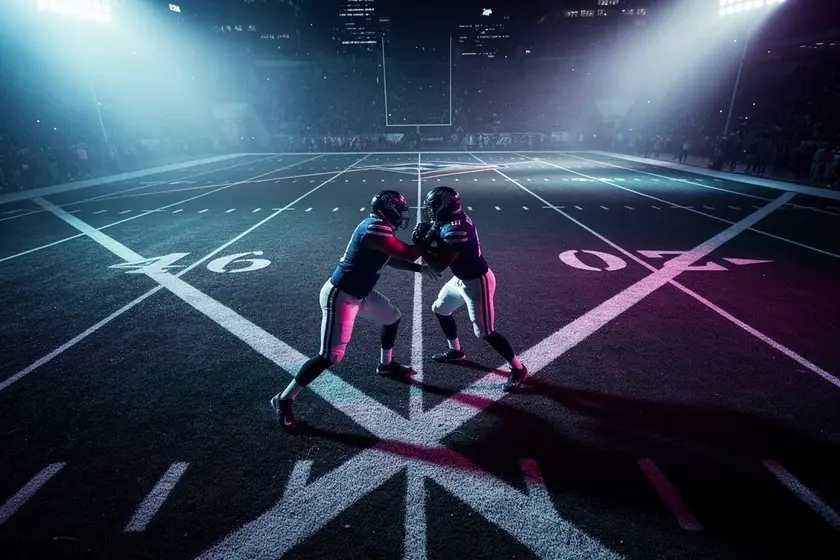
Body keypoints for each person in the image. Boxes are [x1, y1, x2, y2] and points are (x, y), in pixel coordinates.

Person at [271, 190, 440, 433]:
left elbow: (389, 257)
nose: (401, 216)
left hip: (359, 294)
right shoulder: (375, 229)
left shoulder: (377, 227)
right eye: (399, 211)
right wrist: (425, 242)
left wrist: (419, 269)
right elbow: (408, 252)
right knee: (330, 356)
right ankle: (285, 398)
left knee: (392, 317)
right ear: (388, 210)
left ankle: (386, 364)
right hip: (341, 296)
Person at [414, 186, 528, 392]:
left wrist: (422, 247)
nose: (430, 211)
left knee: (485, 332)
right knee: (439, 308)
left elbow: (438, 266)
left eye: (434, 207)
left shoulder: (457, 229)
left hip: (477, 282)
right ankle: (456, 351)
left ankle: (518, 368)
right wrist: (429, 235)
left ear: (444, 207)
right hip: (461, 278)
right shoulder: (452, 219)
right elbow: (438, 234)